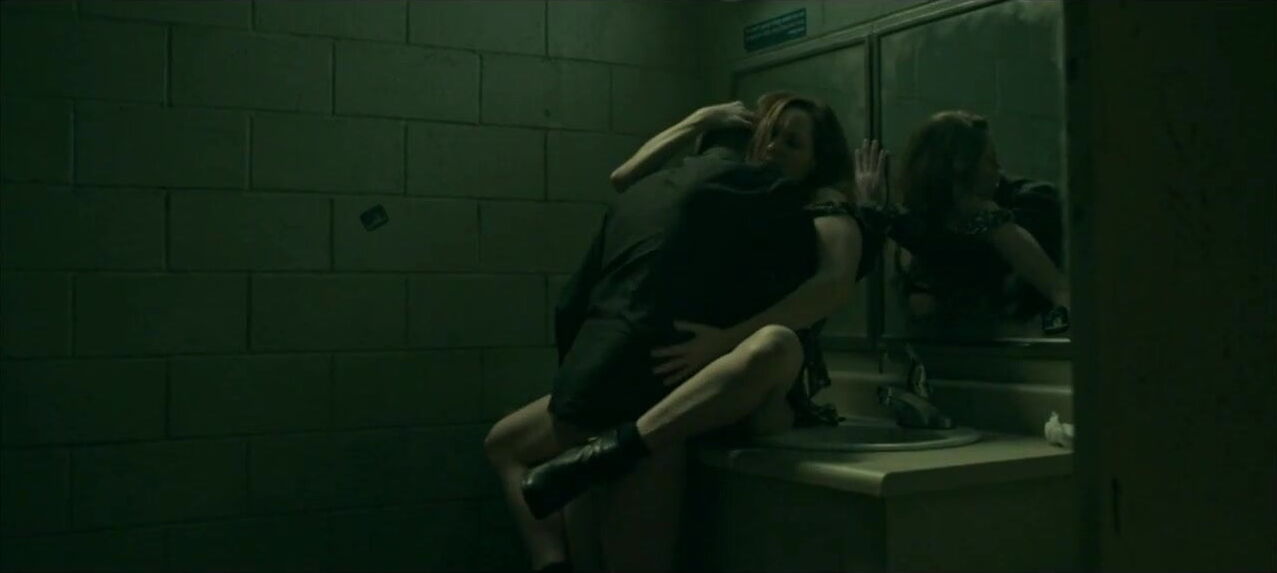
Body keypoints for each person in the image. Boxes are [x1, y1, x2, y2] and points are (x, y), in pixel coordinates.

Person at [483, 93, 877, 572]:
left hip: (735, 393)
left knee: (778, 344)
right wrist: (698, 120)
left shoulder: (816, 207)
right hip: (667, 384)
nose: (773, 147)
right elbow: (625, 180)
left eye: (791, 143)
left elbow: (833, 285)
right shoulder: (734, 198)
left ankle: (612, 457)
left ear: (817, 162)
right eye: (769, 134)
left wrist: (723, 340)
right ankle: (557, 552)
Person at [857, 110, 1070, 333]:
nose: (998, 171)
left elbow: (1056, 289)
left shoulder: (1025, 206)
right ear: (960, 166)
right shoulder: (919, 229)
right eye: (990, 161)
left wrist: (985, 214)